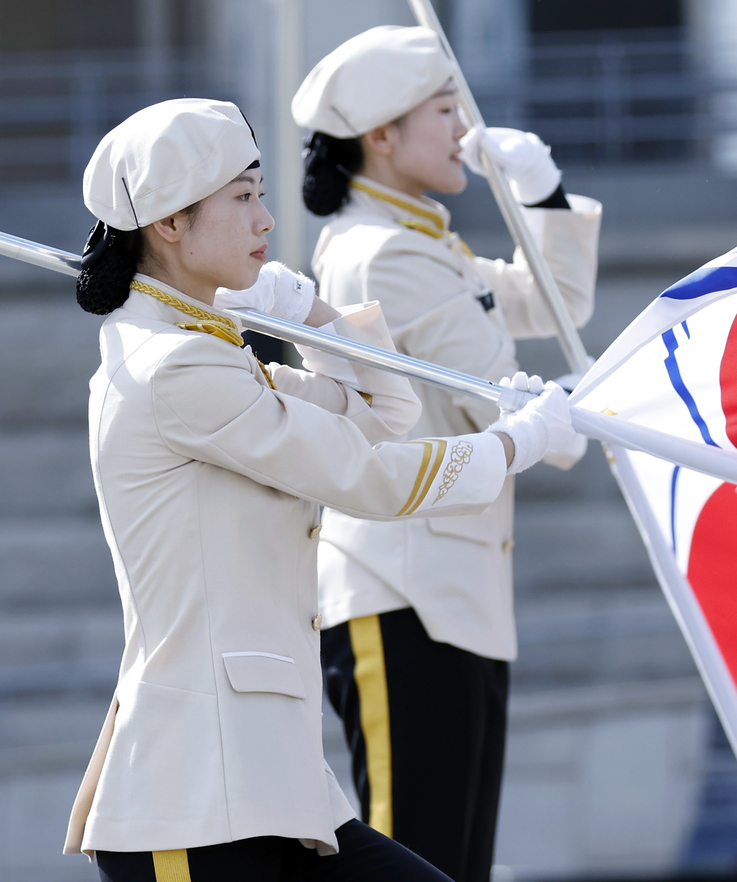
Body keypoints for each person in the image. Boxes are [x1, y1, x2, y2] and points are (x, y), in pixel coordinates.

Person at [64, 97, 579, 881]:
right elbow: (366, 476)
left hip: (273, 791)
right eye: (242, 198)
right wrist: (515, 444)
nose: (266, 220)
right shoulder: (176, 368)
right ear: (168, 224)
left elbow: (385, 412)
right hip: (192, 796)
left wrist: (317, 316)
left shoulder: (211, 356)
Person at [291, 26, 601, 882]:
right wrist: (572, 421)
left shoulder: (424, 242)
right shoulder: (381, 254)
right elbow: (498, 390)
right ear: (381, 138)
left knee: (452, 867)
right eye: (445, 108)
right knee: (417, 862)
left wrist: (540, 193)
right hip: (404, 595)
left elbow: (559, 308)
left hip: (447, 594)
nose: (465, 126)